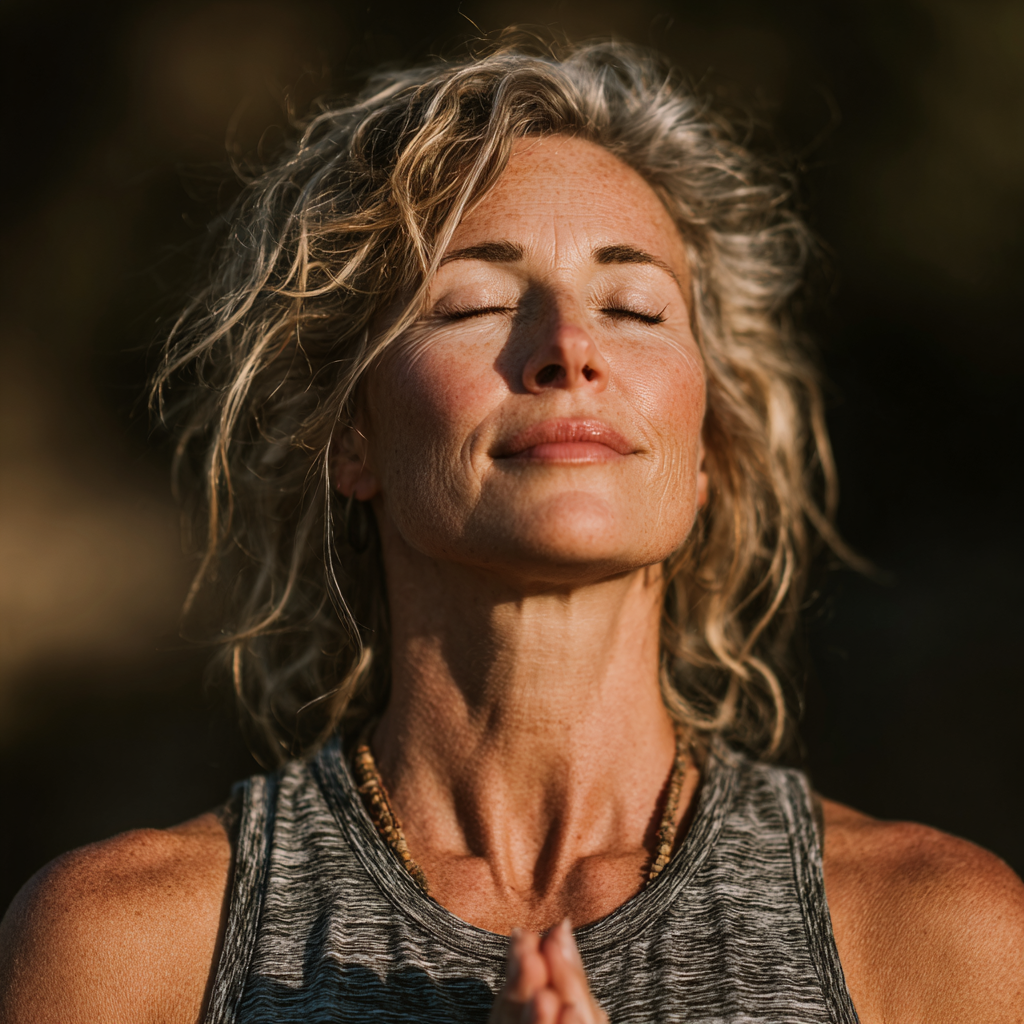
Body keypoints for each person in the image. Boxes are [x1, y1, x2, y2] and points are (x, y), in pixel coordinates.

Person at [1, 33, 1021, 1024]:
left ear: (705, 444)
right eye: (473, 302)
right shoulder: (128, 944)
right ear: (351, 437)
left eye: (632, 305)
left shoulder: (938, 934)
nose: (570, 349)